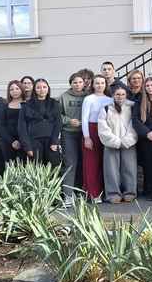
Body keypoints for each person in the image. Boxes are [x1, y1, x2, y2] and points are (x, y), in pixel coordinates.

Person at [98, 87, 138, 204]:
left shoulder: (132, 107)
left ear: (126, 95)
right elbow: (103, 127)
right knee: (111, 169)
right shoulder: (106, 108)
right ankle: (113, 194)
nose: (120, 96)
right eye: (118, 94)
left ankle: (129, 192)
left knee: (129, 168)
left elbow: (134, 125)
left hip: (128, 143)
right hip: (111, 143)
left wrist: (126, 141)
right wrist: (115, 142)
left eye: (123, 94)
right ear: (113, 95)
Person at [18, 79, 62, 170]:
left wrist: (54, 141)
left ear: (48, 88)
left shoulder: (54, 103)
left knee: (54, 168)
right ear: (34, 89)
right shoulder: (26, 105)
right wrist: (27, 146)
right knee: (36, 169)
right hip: (34, 141)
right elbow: (21, 127)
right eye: (38, 87)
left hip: (50, 141)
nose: (42, 89)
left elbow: (58, 123)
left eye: (44, 87)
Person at [81, 74, 113, 203]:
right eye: (97, 83)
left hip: (105, 130)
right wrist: (87, 137)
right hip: (92, 130)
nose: (100, 85)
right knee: (92, 163)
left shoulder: (110, 99)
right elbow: (84, 118)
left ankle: (104, 192)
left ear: (106, 85)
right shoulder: (89, 99)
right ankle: (93, 194)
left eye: (102, 83)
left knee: (104, 163)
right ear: (93, 85)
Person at [59, 73, 87, 203]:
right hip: (68, 134)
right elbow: (57, 115)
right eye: (75, 82)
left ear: (84, 83)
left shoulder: (88, 96)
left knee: (82, 163)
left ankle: (79, 191)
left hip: (85, 134)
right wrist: (69, 121)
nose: (78, 85)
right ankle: (67, 194)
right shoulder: (63, 97)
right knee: (70, 163)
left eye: (80, 82)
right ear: (70, 84)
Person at [0, 80, 26, 163]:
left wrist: (20, 141)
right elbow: (0, 125)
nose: (14, 91)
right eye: (11, 89)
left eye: (17, 88)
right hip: (8, 140)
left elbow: (31, 124)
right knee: (11, 165)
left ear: (22, 89)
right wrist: (12, 141)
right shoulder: (4, 105)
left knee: (24, 165)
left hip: (24, 140)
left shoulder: (27, 104)